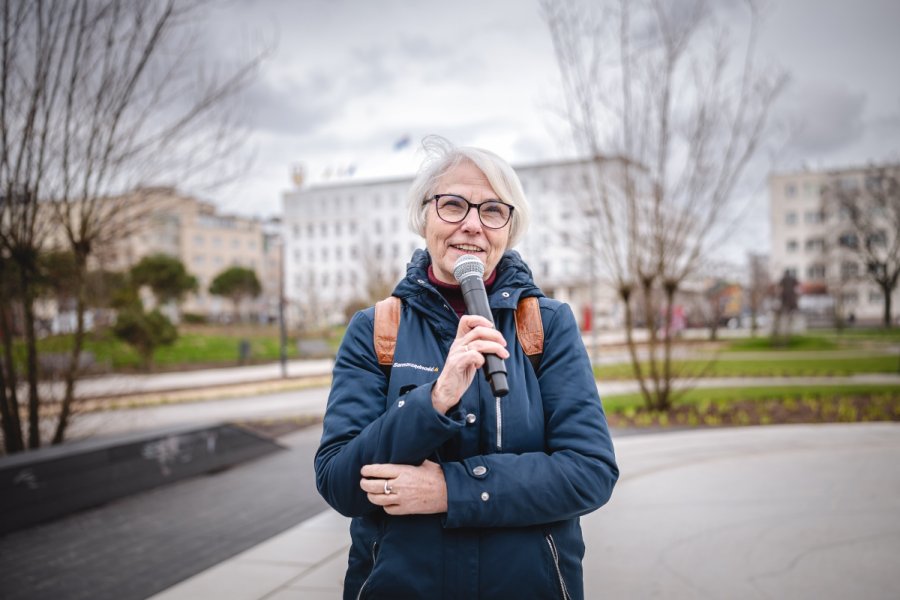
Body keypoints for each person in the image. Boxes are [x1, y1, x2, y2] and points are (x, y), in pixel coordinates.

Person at [315, 136, 619, 599]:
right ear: (424, 216)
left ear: (509, 228)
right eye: (453, 204)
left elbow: (590, 472)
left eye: (493, 210)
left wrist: (451, 491)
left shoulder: (547, 325)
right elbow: (340, 483)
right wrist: (434, 400)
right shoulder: (376, 329)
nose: (472, 225)